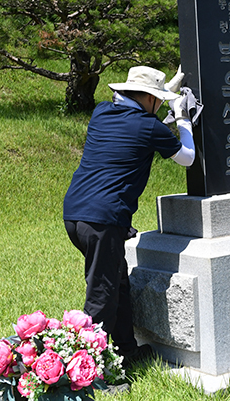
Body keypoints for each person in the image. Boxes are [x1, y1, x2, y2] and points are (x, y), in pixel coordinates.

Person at [63, 66, 194, 368]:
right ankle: (89, 370)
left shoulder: (101, 113)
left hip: (76, 215)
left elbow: (138, 128)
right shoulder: (149, 126)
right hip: (103, 221)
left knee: (117, 282)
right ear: (150, 100)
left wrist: (163, 95)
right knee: (102, 294)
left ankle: (126, 351)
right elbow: (187, 157)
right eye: (158, 100)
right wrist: (183, 117)